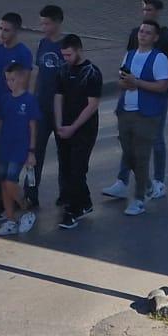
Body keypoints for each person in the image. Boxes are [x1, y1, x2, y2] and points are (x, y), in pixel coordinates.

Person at [109, 0, 168, 202]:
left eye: (149, 9)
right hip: (131, 99)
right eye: (143, 9)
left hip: (154, 99)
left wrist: (159, 82)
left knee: (155, 140)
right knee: (128, 142)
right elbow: (127, 67)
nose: (145, 13)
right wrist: (127, 83)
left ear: (158, 11)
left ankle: (158, 181)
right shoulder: (135, 35)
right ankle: (122, 181)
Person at [0, 14, 34, 222]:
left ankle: (14, 201)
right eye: (0, 28)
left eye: (7, 29)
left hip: (12, 116)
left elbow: (24, 85)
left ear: (16, 31)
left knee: (7, 162)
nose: (2, 33)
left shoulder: (23, 54)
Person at [113, 23, 168, 214]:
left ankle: (139, 199)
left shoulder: (159, 58)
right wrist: (125, 84)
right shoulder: (130, 54)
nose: (143, 35)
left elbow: (162, 85)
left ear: (155, 38)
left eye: (148, 33)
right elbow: (121, 80)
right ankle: (147, 184)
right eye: (141, 31)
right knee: (128, 154)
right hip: (126, 110)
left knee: (142, 156)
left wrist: (137, 83)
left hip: (146, 113)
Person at [51, 35, 103, 230]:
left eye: (69, 54)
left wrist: (73, 127)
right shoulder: (63, 70)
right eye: (63, 55)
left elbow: (92, 105)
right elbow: (58, 97)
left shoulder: (91, 73)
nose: (66, 58)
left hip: (84, 129)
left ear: (79, 50)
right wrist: (59, 124)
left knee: (77, 168)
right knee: (65, 167)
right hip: (64, 126)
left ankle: (72, 210)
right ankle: (84, 201)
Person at [0, 65, 39, 235]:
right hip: (4, 146)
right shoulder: (5, 99)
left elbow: (32, 126)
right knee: (4, 183)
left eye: (13, 79)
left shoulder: (29, 100)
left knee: (11, 181)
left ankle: (26, 209)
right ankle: (10, 219)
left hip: (20, 148)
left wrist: (31, 151)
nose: (10, 83)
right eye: (8, 79)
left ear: (21, 78)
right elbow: (2, 124)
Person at [27, 6, 65, 212]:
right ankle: (30, 194)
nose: (43, 27)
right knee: (34, 153)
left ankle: (65, 193)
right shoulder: (42, 43)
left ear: (58, 22)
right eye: (42, 23)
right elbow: (37, 72)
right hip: (41, 107)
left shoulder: (66, 45)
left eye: (47, 23)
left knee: (64, 153)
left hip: (61, 109)